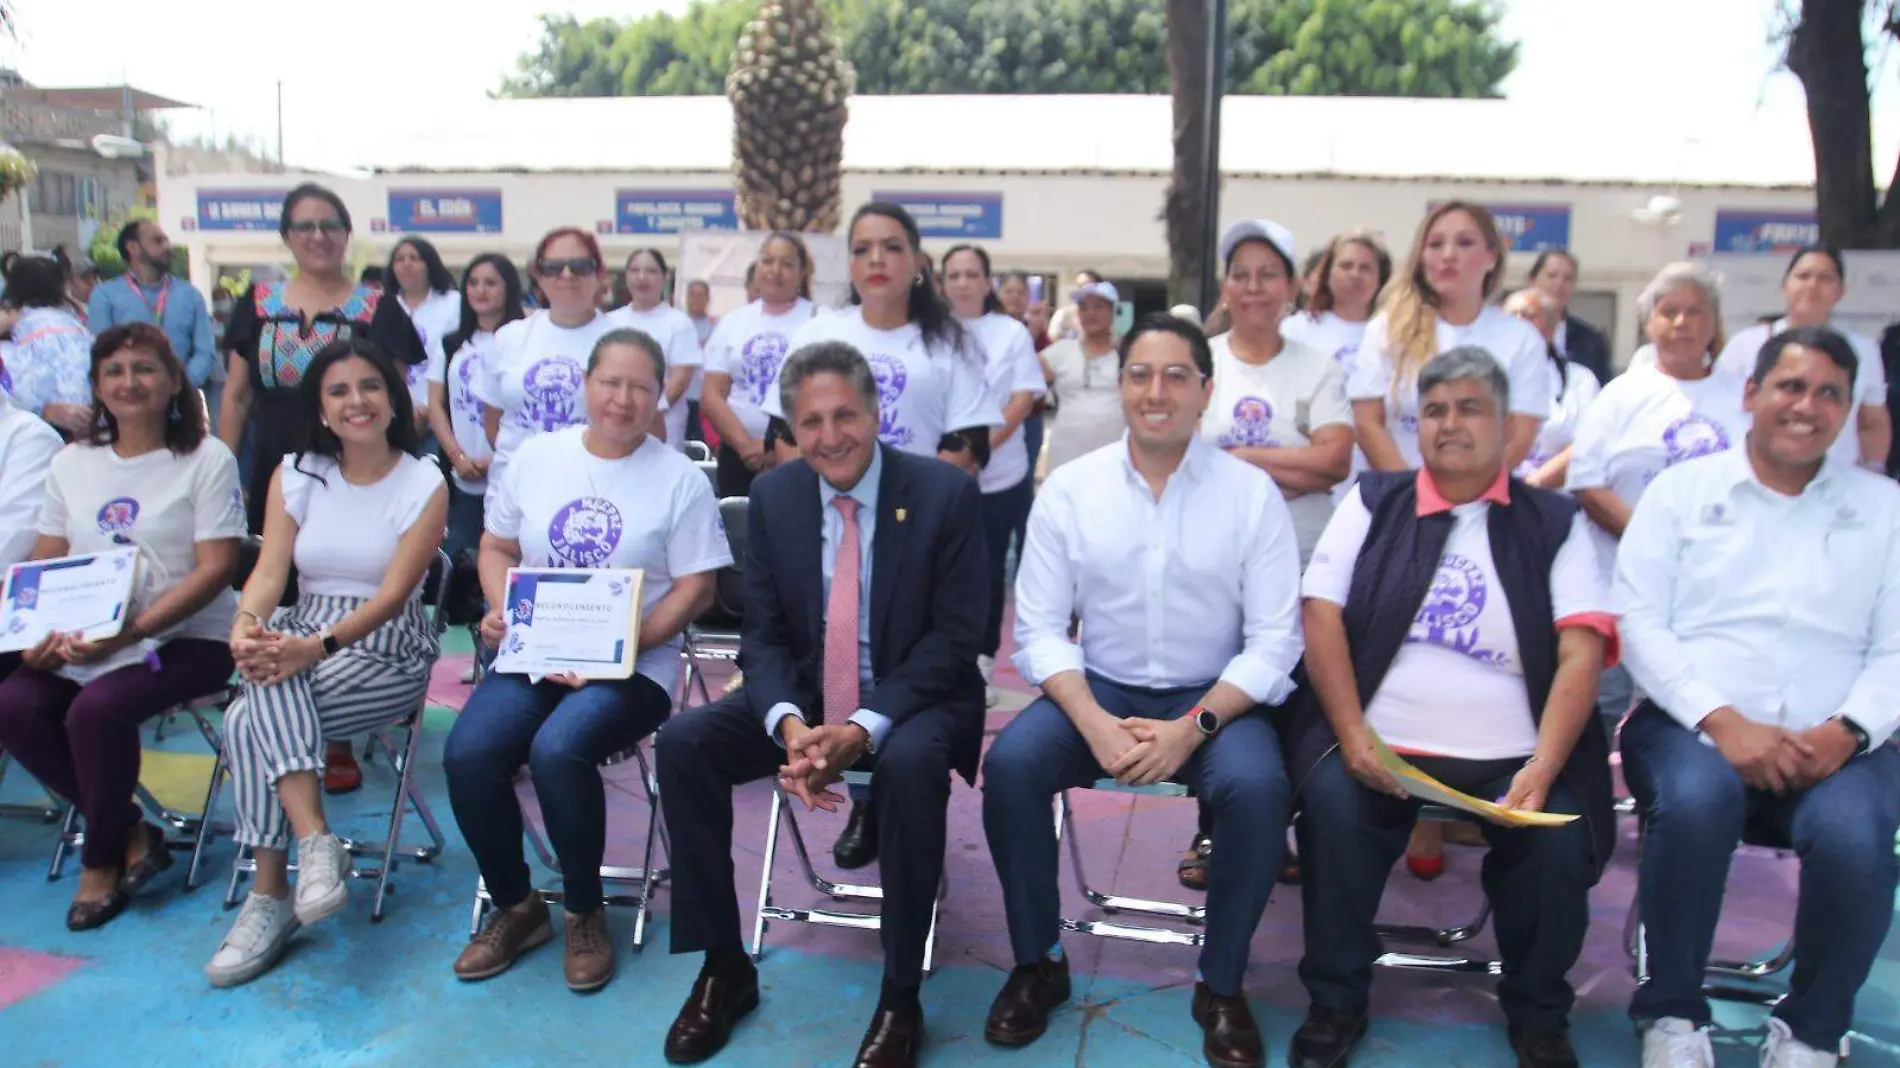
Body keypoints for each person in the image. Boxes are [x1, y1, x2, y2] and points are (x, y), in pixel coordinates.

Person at [982, 315, 1302, 1068]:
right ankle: (1038, 964)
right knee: (1012, 769)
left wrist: (1194, 727)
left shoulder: (1251, 496)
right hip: (1099, 691)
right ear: (1121, 386)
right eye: (1139, 375)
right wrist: (1091, 721)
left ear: (1205, 391)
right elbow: (1038, 631)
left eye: (1175, 376)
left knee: (1260, 791)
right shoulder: (1070, 490)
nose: (1155, 392)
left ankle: (1219, 985)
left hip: (1213, 698)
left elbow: (1274, 642)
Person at [656, 341, 987, 1068]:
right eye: (810, 422)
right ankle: (724, 968)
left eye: (845, 416)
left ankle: (901, 995)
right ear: (791, 428)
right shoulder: (776, 497)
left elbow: (959, 640)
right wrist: (793, 725)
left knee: (907, 767)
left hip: (913, 697)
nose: (829, 436)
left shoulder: (942, 494)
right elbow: (764, 637)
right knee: (684, 747)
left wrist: (862, 728)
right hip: (807, 696)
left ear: (875, 414)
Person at [1287, 346, 1613, 1068]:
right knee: (1335, 813)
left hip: (1516, 757)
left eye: (1470, 407)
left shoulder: (1553, 521)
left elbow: (1581, 652)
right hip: (1377, 743)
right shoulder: (1374, 502)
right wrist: (1353, 735)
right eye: (1434, 409)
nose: (1450, 423)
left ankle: (1537, 1014)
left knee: (1555, 841)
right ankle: (1335, 1001)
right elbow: (1320, 615)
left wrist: (1543, 764)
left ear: (1504, 426)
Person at [1616, 327, 1900, 1068]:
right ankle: (1672, 1017)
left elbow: (1896, 649)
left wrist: (1849, 731)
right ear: (1751, 395)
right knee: (1698, 802)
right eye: (1790, 386)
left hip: (1837, 744)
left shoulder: (1884, 508)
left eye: (1829, 393)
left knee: (1857, 837)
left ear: (1847, 410)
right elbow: (1640, 621)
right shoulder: (1681, 492)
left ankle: (1812, 1030)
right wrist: (1723, 721)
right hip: (1690, 728)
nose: (1807, 406)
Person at [445, 328, 729, 993]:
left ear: (660, 395)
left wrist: (629, 648)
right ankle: (517, 907)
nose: (623, 400)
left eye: (639, 387)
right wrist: (502, 609)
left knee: (557, 748)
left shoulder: (678, 478)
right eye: (610, 382)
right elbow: (495, 547)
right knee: (469, 754)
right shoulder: (538, 458)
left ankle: (582, 910)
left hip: (637, 666)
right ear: (585, 383)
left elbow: (699, 586)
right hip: (538, 650)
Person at [205, 338, 447, 987]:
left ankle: (271, 894)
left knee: (246, 717)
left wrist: (313, 648)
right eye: (338, 390)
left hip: (381, 644)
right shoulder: (297, 472)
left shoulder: (424, 481)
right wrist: (246, 626)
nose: (356, 401)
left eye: (369, 386)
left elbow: (396, 593)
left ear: (392, 399)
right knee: (254, 703)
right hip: (302, 627)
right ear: (321, 404)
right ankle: (311, 849)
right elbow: (268, 572)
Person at [0, 323, 244, 929]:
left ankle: (100, 861)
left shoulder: (206, 460)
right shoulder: (72, 462)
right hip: (88, 638)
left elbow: (216, 569)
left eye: (144, 369)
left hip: (191, 639)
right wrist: (35, 637)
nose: (129, 382)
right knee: (14, 704)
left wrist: (132, 632)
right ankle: (133, 829)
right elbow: (46, 559)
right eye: (114, 371)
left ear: (172, 382)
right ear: (97, 387)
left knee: (96, 711)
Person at [1345, 201, 1554, 879]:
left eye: (1465, 242)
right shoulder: (1391, 328)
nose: (1448, 254)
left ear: (1491, 256)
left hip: (1488, 516)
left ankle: (1452, 804)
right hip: (1398, 509)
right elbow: (1371, 421)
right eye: (1435, 242)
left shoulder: (1518, 339)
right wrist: (1415, 501)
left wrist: (1462, 497)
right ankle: (1401, 806)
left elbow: (1518, 435)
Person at [1567, 263, 1749, 732]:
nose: (1681, 323)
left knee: (1691, 707)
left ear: (1715, 324)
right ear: (1649, 323)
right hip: (1617, 579)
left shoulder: (1742, 399)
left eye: (1695, 312)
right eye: (1669, 312)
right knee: (1602, 705)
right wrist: (1655, 541)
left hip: (1712, 586)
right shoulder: (1620, 394)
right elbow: (1586, 482)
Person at [217, 184, 427, 535]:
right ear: (287, 236)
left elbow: (395, 402)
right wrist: (223, 475)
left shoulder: (380, 308)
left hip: (353, 472)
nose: (318, 236)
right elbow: (237, 397)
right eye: (304, 227)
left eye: (330, 226)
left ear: (347, 234)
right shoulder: (256, 304)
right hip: (273, 468)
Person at [942, 244, 1047, 705]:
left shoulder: (1010, 333)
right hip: (938, 477)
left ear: (988, 282)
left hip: (998, 477)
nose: (963, 282)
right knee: (938, 572)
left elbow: (1022, 398)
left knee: (984, 572)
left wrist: (978, 450)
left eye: (972, 274)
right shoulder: (927, 332)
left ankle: (981, 661)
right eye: (954, 274)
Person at [1711, 245, 1890, 470]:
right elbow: (1716, 410)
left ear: (1840, 291)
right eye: (1803, 276)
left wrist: (1874, 471)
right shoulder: (1745, 344)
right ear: (1785, 286)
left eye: (1825, 278)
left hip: (1835, 483)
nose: (1812, 285)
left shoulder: (1863, 349)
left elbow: (1872, 423)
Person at [472, 227, 620, 496]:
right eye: (553, 267)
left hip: (596, 493)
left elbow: (649, 427)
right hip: (515, 494)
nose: (567, 275)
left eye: (580, 266)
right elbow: (493, 421)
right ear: (537, 276)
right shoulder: (509, 337)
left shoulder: (624, 341)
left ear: (599, 274)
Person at [700, 233, 815, 497]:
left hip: (800, 456)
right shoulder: (732, 323)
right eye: (768, 261)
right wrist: (745, 446)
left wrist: (777, 451)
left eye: (787, 264)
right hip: (738, 458)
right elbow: (711, 395)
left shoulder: (820, 320)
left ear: (802, 272)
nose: (775, 271)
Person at [428, 254, 524, 562]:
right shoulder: (451, 343)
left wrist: (496, 458)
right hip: (462, 474)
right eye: (473, 283)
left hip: (511, 471)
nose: (480, 290)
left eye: (491, 283)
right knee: (463, 561)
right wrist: (457, 456)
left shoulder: (523, 340)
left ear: (508, 288)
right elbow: (436, 405)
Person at [87, 220, 219, 415]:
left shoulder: (190, 294)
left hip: (180, 406)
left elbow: (205, 352)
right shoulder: (105, 295)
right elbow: (103, 353)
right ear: (133, 247)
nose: (167, 247)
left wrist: (175, 387)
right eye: (158, 241)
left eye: (166, 241)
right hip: (129, 404)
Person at [1504, 287, 1601, 490]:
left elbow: (1587, 444)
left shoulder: (1580, 380)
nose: (1520, 322)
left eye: (1530, 316)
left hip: (1554, 499)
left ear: (1552, 326)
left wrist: (1534, 485)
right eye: (1512, 315)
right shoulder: (1479, 376)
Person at [608, 249, 703, 450]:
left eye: (651, 271)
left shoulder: (678, 323)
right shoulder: (610, 321)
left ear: (664, 276)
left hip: (664, 426)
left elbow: (680, 379)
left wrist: (647, 412)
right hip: (614, 423)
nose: (642, 278)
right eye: (634, 270)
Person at [3, 253, 94, 437]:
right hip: (91, 421)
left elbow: (18, 387)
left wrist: (43, 409)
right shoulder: (77, 326)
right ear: (60, 287)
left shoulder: (21, 328)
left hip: (40, 427)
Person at [1040, 281, 1125, 473]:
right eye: (1084, 307)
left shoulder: (1129, 355)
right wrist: (1033, 330)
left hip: (1112, 458)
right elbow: (1022, 375)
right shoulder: (1060, 351)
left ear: (1114, 312)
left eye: (1099, 307)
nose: (1090, 313)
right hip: (1066, 455)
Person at [1283, 231, 1392, 377]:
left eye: (1365, 268)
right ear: (1327, 275)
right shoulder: (1295, 330)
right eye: (1346, 266)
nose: (1355, 274)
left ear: (1380, 279)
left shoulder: (1394, 334)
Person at [386, 236, 462, 430]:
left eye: (414, 258)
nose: (406, 264)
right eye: (399, 259)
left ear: (430, 263)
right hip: (393, 420)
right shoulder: (384, 307)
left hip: (442, 416)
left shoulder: (453, 303)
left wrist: (429, 408)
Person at [1527, 250, 1613, 386]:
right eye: (1552, 275)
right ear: (1532, 281)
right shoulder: (1513, 332)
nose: (1559, 283)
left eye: (1568, 278)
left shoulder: (1590, 341)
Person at [1044, 269, 1103, 343]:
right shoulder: (1063, 314)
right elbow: (1052, 339)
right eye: (1079, 286)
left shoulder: (1105, 317)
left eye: (1087, 285)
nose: (1082, 289)